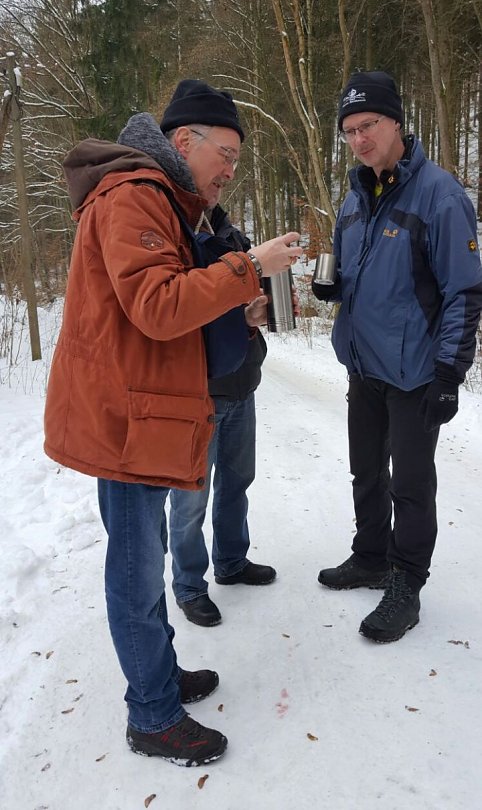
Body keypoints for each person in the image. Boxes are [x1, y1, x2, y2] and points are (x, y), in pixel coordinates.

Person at [44, 78, 302, 765]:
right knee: (134, 568)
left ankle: (159, 678)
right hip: (123, 422)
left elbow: (163, 314)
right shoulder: (134, 194)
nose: (230, 171)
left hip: (137, 413)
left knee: (143, 558)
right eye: (228, 156)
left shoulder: (155, 195)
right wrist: (251, 267)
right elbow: (157, 305)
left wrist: (233, 307)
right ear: (184, 141)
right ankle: (152, 716)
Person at [313, 70, 482, 644]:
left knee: (411, 482)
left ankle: (407, 581)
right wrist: (330, 287)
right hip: (364, 366)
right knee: (366, 470)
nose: (360, 139)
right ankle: (370, 555)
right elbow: (348, 270)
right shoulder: (354, 199)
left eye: (369, 125)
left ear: (397, 123)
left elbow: (464, 289)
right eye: (350, 131)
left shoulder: (439, 194)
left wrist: (449, 374)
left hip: (416, 374)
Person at [168, 204, 274, 629]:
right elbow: (178, 309)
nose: (222, 175)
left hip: (242, 383)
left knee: (236, 484)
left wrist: (257, 313)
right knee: (190, 499)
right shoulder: (174, 237)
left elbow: (240, 303)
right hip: (198, 395)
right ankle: (190, 586)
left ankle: (231, 561)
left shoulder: (235, 238)